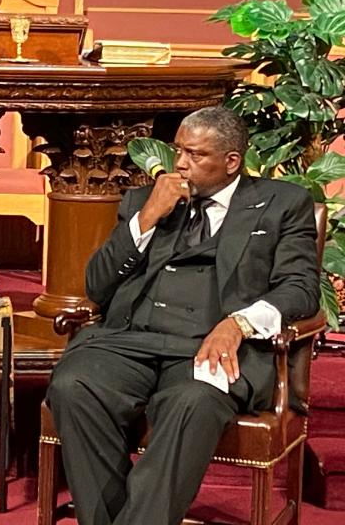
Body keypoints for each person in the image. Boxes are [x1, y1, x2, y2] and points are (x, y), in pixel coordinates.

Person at [46, 106, 320, 525]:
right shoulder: (145, 200)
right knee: (74, 385)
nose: (181, 164)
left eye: (195, 155)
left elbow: (300, 289)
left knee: (192, 402)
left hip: (209, 349)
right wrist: (147, 218)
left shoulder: (281, 204)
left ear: (232, 161)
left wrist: (239, 324)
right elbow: (97, 286)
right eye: (178, 151)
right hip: (128, 341)